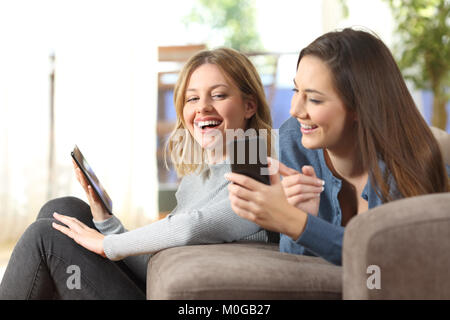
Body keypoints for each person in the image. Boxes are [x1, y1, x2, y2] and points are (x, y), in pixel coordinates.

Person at [0, 47, 274, 299]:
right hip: (151, 287)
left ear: (249, 105)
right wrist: (104, 219)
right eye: (192, 98)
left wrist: (107, 243)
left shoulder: (259, 172)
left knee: (45, 235)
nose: (202, 107)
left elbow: (190, 228)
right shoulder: (197, 178)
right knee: (62, 209)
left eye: (218, 95)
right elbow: (151, 265)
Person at [225, 28, 450, 266]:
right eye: (295, 91)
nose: (295, 110)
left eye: (314, 99)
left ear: (360, 106)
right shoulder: (296, 138)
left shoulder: (409, 166)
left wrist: (296, 222)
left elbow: (392, 261)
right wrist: (301, 218)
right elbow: (298, 270)